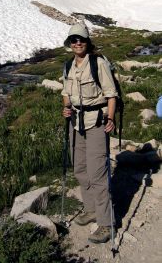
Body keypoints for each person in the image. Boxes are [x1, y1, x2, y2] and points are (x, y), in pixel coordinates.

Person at [61, 23, 117, 244]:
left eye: (81, 39)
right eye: (74, 40)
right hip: (75, 123)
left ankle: (106, 223)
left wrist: (110, 118)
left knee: (97, 175)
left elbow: (111, 94)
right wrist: (66, 106)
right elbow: (66, 93)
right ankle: (91, 209)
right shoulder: (68, 66)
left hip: (96, 123)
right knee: (80, 170)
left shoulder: (98, 63)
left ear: (87, 41)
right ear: (69, 43)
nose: (78, 43)